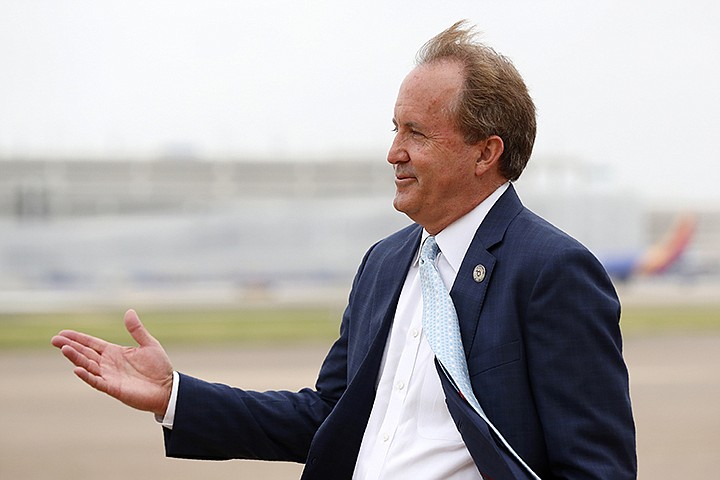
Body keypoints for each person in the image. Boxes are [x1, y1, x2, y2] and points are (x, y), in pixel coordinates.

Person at [52, 21, 636, 479]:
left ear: (486, 153)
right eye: (394, 128)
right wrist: (176, 395)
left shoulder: (552, 271)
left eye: (416, 133)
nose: (393, 153)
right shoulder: (384, 264)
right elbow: (329, 418)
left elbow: (597, 469)